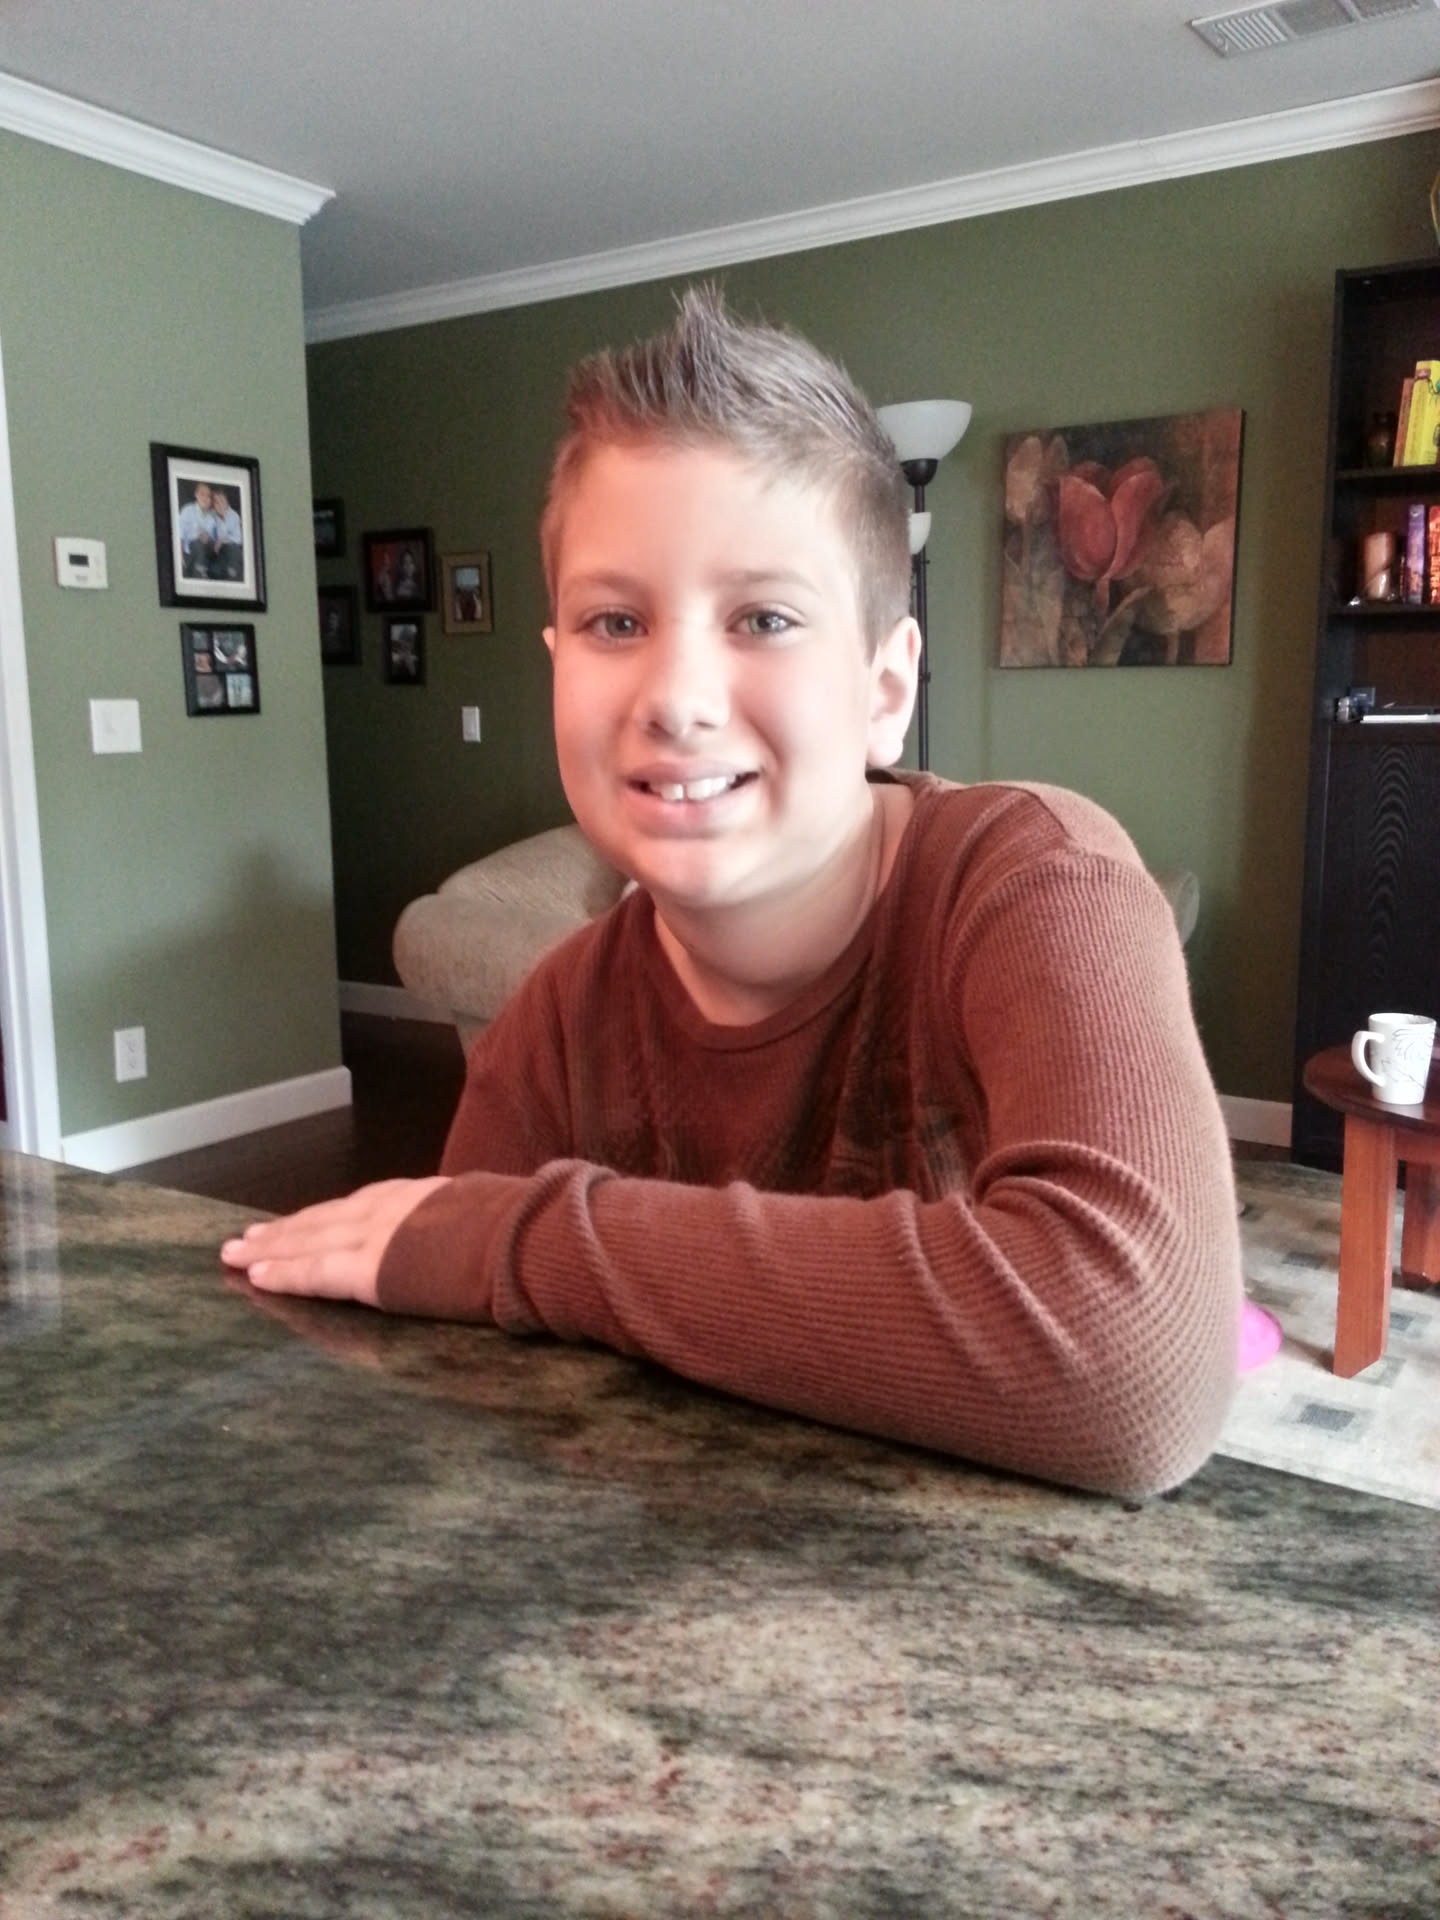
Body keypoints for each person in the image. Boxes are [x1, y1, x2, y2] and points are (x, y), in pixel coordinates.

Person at [222, 288, 1243, 1498]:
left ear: (885, 688)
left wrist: (527, 1238)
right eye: (614, 621)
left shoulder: (1037, 883)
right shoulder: (557, 1023)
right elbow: (482, 1427)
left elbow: (1136, 1365)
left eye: (762, 617)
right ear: (555, 665)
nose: (676, 697)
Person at [176, 481, 217, 578]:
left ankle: (203, 573)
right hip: (188, 554)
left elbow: (213, 541)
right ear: (196, 495)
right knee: (197, 543)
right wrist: (179, 557)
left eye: (208, 496)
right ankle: (201, 575)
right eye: (202, 494)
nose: (205, 498)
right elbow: (179, 534)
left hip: (206, 554)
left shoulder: (212, 518)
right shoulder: (187, 510)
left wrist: (208, 538)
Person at [209, 487, 244, 581]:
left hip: (232, 550)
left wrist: (221, 540)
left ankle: (232, 572)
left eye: (222, 501)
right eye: (216, 502)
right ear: (213, 505)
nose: (219, 504)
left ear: (227, 502)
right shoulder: (211, 514)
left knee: (232, 549)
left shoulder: (233, 516)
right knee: (214, 571)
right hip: (218, 551)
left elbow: (239, 539)